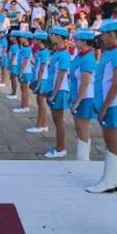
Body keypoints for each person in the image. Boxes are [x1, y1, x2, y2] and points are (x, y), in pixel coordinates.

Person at [86, 19, 117, 194]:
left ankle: (107, 181)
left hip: (111, 104)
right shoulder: (110, 52)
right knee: (112, 143)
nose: (101, 38)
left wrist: (103, 108)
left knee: (111, 143)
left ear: (111, 34)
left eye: (103, 34)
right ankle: (114, 179)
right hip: (110, 102)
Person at [44, 27, 72, 159]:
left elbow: (61, 76)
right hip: (54, 89)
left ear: (60, 37)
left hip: (59, 90)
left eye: (53, 35)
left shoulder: (64, 54)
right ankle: (59, 146)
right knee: (56, 120)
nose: (51, 36)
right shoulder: (57, 52)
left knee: (58, 120)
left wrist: (54, 94)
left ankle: (60, 148)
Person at [70, 29, 97, 161]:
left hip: (85, 98)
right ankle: (81, 157)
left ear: (84, 42)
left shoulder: (87, 58)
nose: (74, 41)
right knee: (78, 128)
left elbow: (85, 83)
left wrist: (77, 102)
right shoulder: (80, 55)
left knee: (83, 129)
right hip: (78, 96)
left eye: (77, 40)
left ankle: (83, 160)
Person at [27, 30, 51, 134]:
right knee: (40, 102)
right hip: (39, 78)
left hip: (43, 80)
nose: (33, 40)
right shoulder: (40, 51)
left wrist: (38, 83)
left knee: (41, 102)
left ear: (40, 40)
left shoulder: (44, 53)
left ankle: (39, 125)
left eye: (35, 38)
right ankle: (43, 124)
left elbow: (42, 69)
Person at [14, 32, 34, 115]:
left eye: (22, 37)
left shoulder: (27, 49)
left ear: (26, 39)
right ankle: (23, 105)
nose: (20, 38)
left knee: (24, 89)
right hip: (23, 71)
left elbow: (25, 62)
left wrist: (21, 72)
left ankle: (25, 106)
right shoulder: (24, 47)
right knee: (22, 89)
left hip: (25, 71)